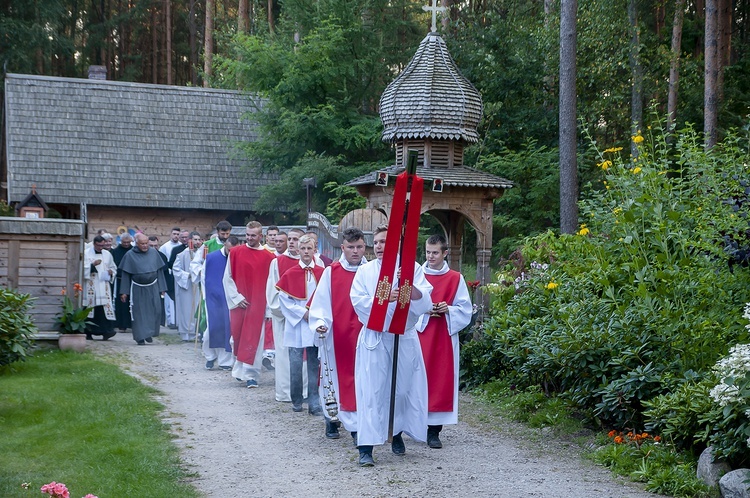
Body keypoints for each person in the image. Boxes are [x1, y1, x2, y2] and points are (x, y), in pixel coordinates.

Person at [350, 225, 433, 467]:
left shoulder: (411, 268)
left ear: (396, 244)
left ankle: (395, 432)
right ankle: (366, 446)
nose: (378, 246)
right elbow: (358, 301)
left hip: (403, 336)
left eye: (384, 241)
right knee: (372, 391)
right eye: (375, 242)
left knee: (401, 389)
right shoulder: (365, 271)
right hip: (375, 337)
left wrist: (408, 288)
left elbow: (425, 299)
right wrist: (386, 299)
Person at [308, 227, 367, 439]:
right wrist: (320, 323)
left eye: (359, 247)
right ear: (342, 247)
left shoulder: (371, 272)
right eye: (350, 247)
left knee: (361, 380)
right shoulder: (331, 272)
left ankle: (359, 424)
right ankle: (331, 417)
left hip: (364, 336)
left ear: (364, 247)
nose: (355, 251)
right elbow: (320, 304)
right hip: (337, 336)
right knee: (332, 377)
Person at [417, 234, 473, 449]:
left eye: (435, 253)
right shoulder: (417, 274)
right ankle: (412, 426)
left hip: (442, 337)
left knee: (439, 380)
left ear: (445, 253)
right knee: (416, 379)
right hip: (418, 334)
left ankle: (434, 432)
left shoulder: (455, 278)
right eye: (428, 252)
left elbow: (465, 309)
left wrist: (447, 309)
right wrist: (424, 310)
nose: (430, 256)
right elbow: (407, 305)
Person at [223, 221, 276, 388]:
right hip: (240, 303)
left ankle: (252, 375)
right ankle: (239, 371)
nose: (249, 238)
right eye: (247, 235)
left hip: (258, 305)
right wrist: (237, 298)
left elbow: (271, 284)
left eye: (253, 235)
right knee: (237, 338)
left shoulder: (270, 257)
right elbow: (227, 277)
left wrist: (268, 308)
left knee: (255, 339)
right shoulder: (236, 252)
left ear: (261, 236)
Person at [276, 235, 325, 414]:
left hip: (314, 324)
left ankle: (314, 402)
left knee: (314, 364)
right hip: (296, 324)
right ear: (298, 250)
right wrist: (302, 313)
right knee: (295, 364)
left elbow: (325, 297)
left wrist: (315, 315)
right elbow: (284, 300)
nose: (306, 252)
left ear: (314, 250)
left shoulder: (322, 272)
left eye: (309, 249)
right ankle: (296, 400)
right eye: (302, 249)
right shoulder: (289, 274)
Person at [119, 233, 168, 345]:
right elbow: (126, 275)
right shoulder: (130, 255)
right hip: (138, 287)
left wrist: (162, 287)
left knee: (155, 310)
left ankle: (149, 333)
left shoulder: (154, 253)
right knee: (139, 313)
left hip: (153, 286)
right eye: (143, 244)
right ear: (137, 244)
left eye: (147, 243)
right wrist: (124, 292)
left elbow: (159, 271)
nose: (145, 246)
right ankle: (140, 336)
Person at [200, 235, 239, 370]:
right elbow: (203, 277)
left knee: (227, 330)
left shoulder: (238, 258)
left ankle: (225, 361)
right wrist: (206, 296)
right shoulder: (211, 257)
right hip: (213, 298)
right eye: (229, 250)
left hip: (230, 299)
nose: (231, 254)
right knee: (211, 330)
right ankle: (210, 356)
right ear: (225, 246)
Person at [83, 235, 118, 340]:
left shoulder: (107, 254)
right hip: (91, 285)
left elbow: (113, 267)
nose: (100, 248)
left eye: (102, 245)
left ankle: (106, 331)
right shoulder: (86, 253)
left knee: (103, 309)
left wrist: (111, 272)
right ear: (94, 244)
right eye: (98, 246)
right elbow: (82, 268)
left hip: (103, 286)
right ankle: (88, 332)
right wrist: (92, 265)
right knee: (90, 309)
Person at [172, 231, 202, 342]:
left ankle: (198, 332)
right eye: (195, 239)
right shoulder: (182, 254)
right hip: (187, 285)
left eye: (199, 239)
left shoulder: (202, 254)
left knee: (197, 308)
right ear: (190, 240)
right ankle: (187, 333)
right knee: (187, 309)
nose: (197, 242)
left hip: (198, 285)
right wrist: (187, 275)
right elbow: (176, 269)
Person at [111, 234, 133, 332]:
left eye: (128, 242)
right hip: (120, 279)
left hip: (133, 280)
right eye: (124, 242)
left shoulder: (133, 251)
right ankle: (121, 323)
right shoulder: (115, 251)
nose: (126, 244)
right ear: (121, 241)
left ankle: (131, 323)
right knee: (121, 302)